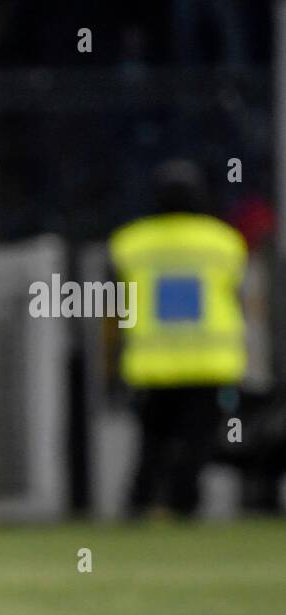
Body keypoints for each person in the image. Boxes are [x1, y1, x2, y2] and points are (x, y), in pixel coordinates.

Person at [109, 160, 247, 518]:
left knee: (151, 445)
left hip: (152, 365)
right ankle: (185, 507)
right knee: (196, 444)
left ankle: (139, 507)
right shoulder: (223, 242)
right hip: (208, 364)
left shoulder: (132, 242)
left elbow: (116, 298)